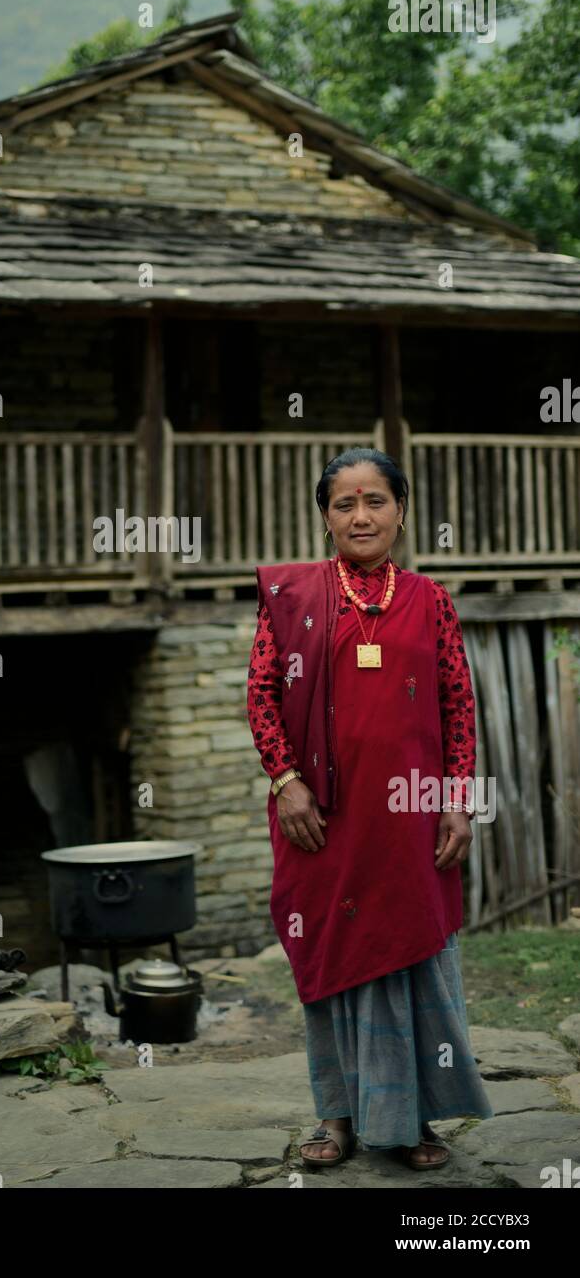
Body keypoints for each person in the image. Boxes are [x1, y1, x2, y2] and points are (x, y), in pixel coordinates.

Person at [247, 447, 494, 1170]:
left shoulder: (430, 601)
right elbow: (262, 695)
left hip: (410, 817)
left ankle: (414, 1119)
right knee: (332, 954)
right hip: (322, 818)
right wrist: (286, 781)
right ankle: (338, 1115)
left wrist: (457, 801)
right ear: (325, 519)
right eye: (344, 503)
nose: (361, 515)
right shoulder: (292, 598)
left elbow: (457, 705)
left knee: (413, 955)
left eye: (376, 500)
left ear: (402, 511)